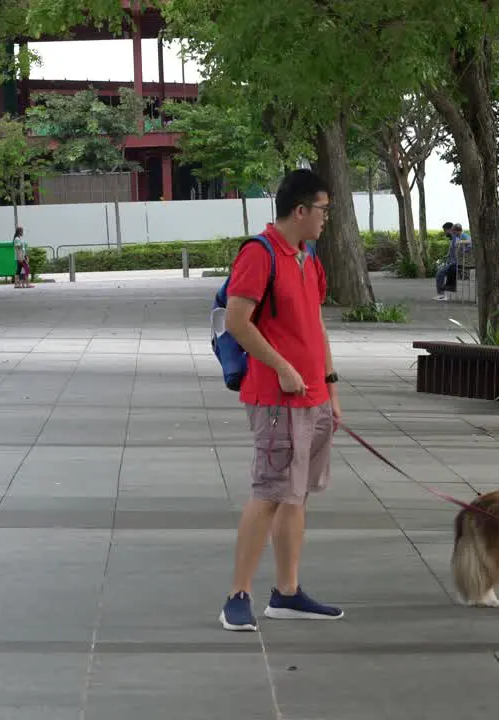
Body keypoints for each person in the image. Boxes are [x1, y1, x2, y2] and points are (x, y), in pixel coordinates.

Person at [219, 169, 344, 632]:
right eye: (323, 210)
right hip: (276, 398)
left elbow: (315, 324)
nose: (327, 219)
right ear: (300, 210)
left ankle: (287, 593)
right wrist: (283, 369)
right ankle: (238, 594)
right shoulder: (261, 253)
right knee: (270, 493)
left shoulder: (307, 259)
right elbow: (237, 320)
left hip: (312, 397)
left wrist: (330, 386)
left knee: (296, 496)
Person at [435, 222, 458, 301]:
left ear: (449, 229)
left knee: (440, 273)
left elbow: (457, 253)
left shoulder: (455, 238)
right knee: (440, 271)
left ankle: (441, 295)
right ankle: (443, 292)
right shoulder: (453, 239)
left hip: (455, 264)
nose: (445, 233)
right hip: (452, 263)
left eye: (445, 230)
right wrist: (447, 256)